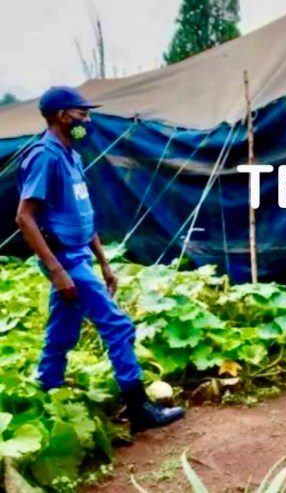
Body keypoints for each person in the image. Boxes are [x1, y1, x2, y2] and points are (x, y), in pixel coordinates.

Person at [15, 86, 185, 434]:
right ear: (63, 115)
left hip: (79, 254)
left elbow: (83, 215)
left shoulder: (72, 156)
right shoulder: (44, 157)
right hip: (64, 258)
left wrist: (104, 263)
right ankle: (138, 410)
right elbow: (24, 218)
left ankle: (46, 392)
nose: (88, 120)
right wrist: (57, 271)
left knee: (62, 331)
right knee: (118, 325)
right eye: (82, 114)